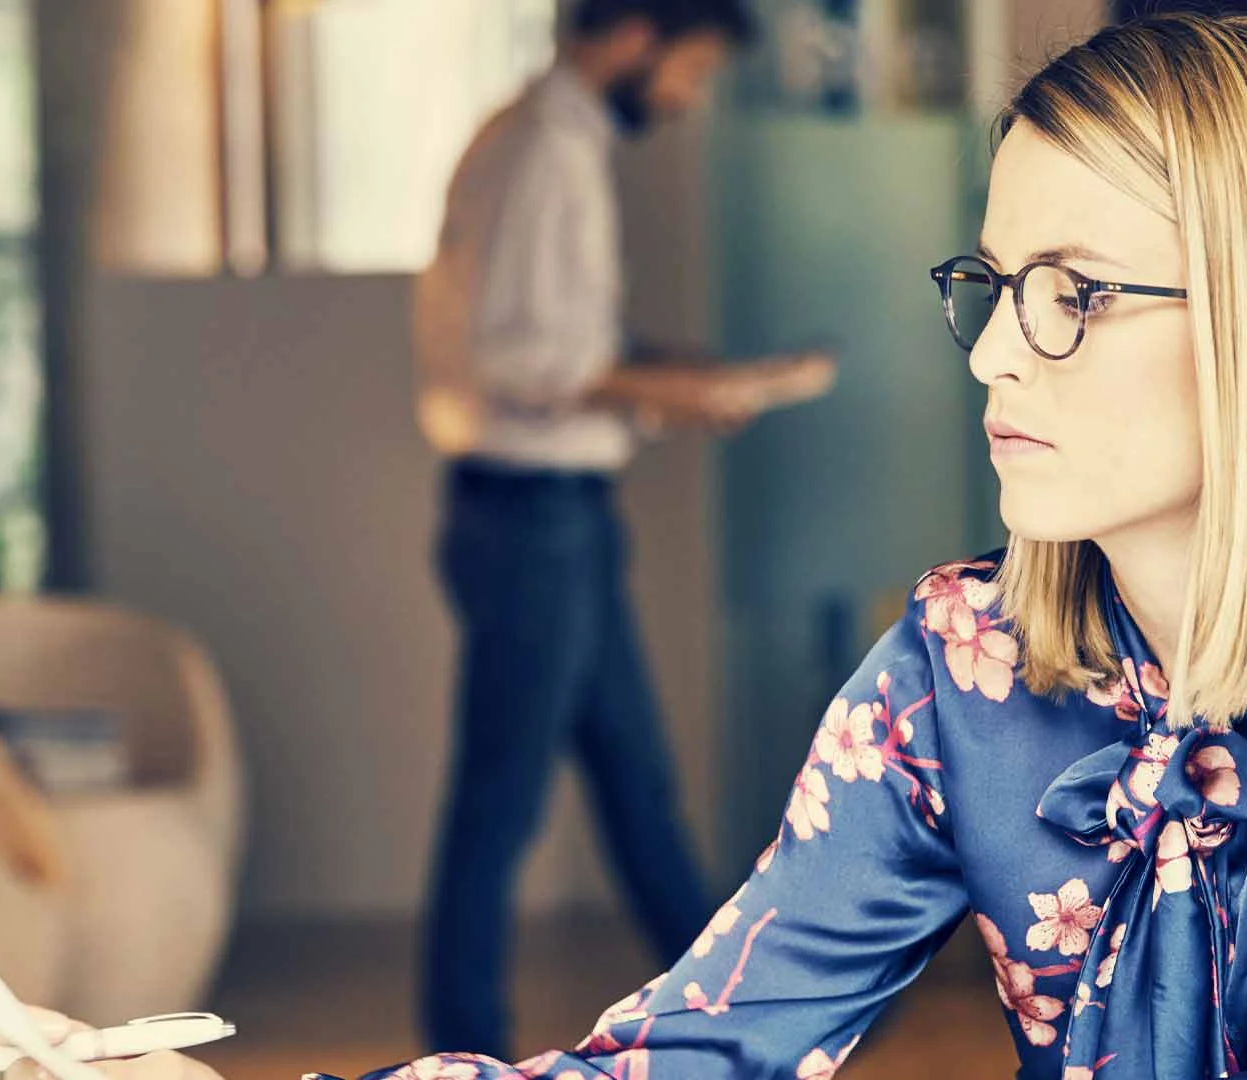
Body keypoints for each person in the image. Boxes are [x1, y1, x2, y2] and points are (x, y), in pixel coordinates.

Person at [0, 12, 1247, 1080]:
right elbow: (697, 1053)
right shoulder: (957, 676)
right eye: (995, 286)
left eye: (1075, 293)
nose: (992, 356)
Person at [406, 0, 832, 1062]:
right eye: (693, 68)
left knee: (638, 787)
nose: (689, 97)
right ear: (640, 33)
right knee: (502, 802)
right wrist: (686, 394)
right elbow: (519, 361)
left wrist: (684, 376)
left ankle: (736, 1020)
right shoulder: (543, 149)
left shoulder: (550, 139)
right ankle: (464, 1050)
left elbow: (567, 343)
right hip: (530, 519)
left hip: (556, 518)